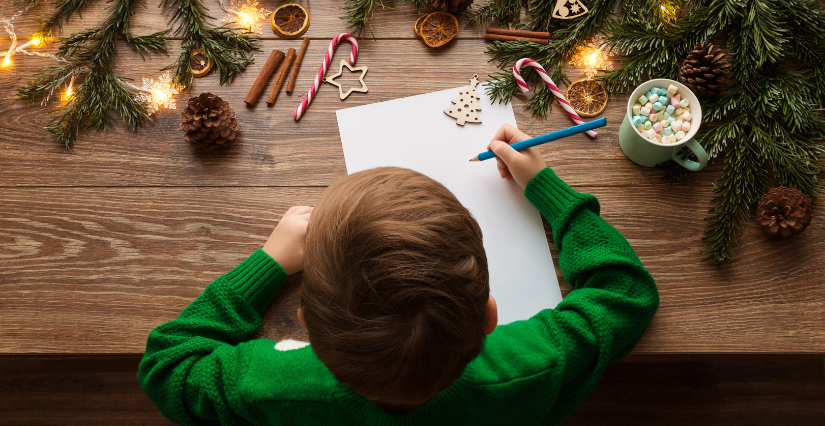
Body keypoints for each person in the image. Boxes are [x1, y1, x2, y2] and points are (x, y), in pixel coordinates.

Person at [139, 124, 659, 425]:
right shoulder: (533, 365)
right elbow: (625, 294)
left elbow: (168, 365)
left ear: (306, 328)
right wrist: (548, 188)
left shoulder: (270, 385)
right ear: (489, 317)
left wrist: (269, 263)